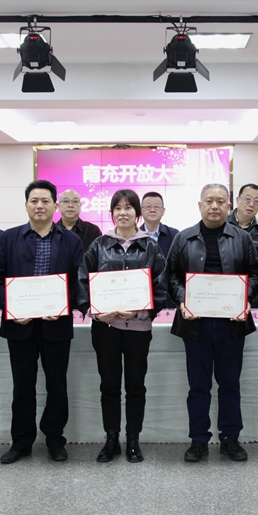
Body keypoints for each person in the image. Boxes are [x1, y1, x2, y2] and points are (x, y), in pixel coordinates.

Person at [0, 180, 85, 463]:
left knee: (57, 385)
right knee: (23, 386)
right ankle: (21, 442)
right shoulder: (9, 238)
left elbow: (78, 281)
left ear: (55, 206)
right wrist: (11, 308)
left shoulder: (71, 240)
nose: (39, 206)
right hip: (19, 326)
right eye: (34, 201)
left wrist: (64, 305)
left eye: (45, 201)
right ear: (26, 205)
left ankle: (55, 440)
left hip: (56, 324)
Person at [168, 183, 258, 462]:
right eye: (209, 201)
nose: (215, 206)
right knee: (198, 386)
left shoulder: (242, 238)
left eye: (221, 201)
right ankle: (198, 440)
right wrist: (183, 299)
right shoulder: (183, 238)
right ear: (200, 205)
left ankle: (230, 438)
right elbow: (171, 276)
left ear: (228, 206)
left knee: (230, 383)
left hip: (231, 323)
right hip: (195, 324)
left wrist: (244, 298)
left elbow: (254, 274)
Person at [79, 189, 168, 463]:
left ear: (137, 213)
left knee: (135, 386)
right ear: (111, 213)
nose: (123, 212)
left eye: (128, 207)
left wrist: (141, 310)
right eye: (117, 208)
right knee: (109, 385)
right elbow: (83, 280)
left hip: (138, 329)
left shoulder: (151, 247)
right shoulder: (98, 245)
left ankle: (133, 439)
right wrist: (94, 312)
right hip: (105, 329)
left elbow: (161, 286)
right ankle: (111, 439)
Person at [227, 184, 258, 308]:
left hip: (251, 294)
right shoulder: (222, 224)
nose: (251, 204)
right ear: (237, 200)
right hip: (223, 290)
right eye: (247, 199)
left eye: (256, 201)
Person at [139, 191, 179, 308]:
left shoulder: (175, 235)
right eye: (148, 207)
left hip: (169, 297)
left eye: (156, 207)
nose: (152, 210)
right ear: (141, 210)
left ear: (163, 211)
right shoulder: (133, 236)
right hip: (140, 296)